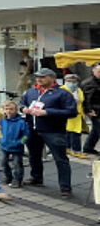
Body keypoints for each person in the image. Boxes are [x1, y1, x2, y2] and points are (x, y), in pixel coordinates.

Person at [20, 68, 77, 196]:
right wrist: (23, 108)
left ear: (52, 78)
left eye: (43, 77)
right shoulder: (31, 91)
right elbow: (22, 102)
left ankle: (65, 187)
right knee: (34, 156)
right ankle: (36, 178)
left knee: (60, 159)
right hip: (32, 129)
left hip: (53, 131)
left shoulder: (62, 94)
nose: (39, 79)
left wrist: (47, 112)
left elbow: (72, 112)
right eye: (37, 77)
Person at [0, 100, 29, 189]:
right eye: (6, 109)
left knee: (17, 164)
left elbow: (26, 135)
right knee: (3, 162)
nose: (8, 111)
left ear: (15, 110)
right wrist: (0, 139)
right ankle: (8, 177)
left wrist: (20, 142)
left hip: (17, 147)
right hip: (4, 146)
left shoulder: (21, 122)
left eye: (11, 109)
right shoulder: (2, 120)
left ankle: (17, 180)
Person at [61, 73, 87, 154]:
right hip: (66, 115)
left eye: (74, 81)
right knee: (70, 132)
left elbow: (82, 101)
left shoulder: (79, 90)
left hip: (78, 115)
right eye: (69, 81)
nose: (72, 83)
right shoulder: (62, 90)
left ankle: (72, 149)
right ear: (65, 81)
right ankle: (73, 150)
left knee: (74, 132)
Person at [81, 61, 100, 155]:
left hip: (97, 109)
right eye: (99, 72)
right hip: (95, 111)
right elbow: (87, 98)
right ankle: (88, 148)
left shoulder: (97, 81)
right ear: (93, 71)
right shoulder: (89, 83)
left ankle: (88, 147)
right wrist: (88, 110)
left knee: (96, 130)